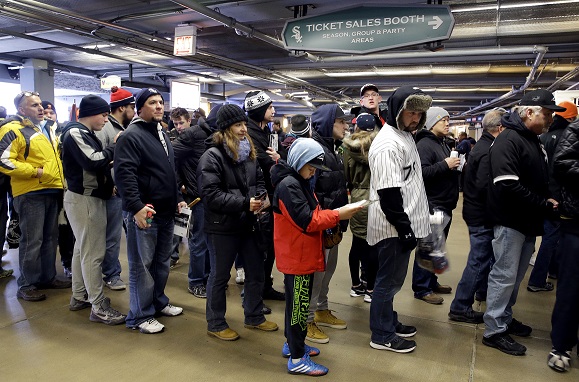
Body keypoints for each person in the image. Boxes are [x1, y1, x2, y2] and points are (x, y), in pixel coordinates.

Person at [271, 138, 363, 376]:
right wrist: (338, 214)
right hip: (297, 257)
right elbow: (308, 221)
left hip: (301, 254)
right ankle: (297, 358)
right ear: (299, 161)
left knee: (297, 307)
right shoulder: (289, 186)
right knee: (299, 308)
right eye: (311, 166)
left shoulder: (298, 182)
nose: (313, 171)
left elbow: (311, 212)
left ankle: (293, 345)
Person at [482, 89, 564, 355]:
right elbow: (507, 184)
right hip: (510, 220)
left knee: (515, 277)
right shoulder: (510, 139)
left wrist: (547, 198)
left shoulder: (530, 139)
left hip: (526, 220)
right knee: (504, 276)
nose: (551, 119)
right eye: (548, 113)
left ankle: (504, 318)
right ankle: (494, 330)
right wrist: (543, 203)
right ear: (530, 112)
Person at [198, 103, 278, 341]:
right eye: (238, 125)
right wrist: (245, 203)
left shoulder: (248, 153)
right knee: (220, 276)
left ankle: (254, 316)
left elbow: (259, 181)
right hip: (222, 227)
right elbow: (210, 194)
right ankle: (216, 322)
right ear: (225, 129)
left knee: (256, 272)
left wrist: (262, 199)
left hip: (248, 223)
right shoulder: (212, 156)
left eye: (244, 124)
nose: (244, 129)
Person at [114, 88, 185, 334]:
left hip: (165, 211)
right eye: (152, 102)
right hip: (145, 212)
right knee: (141, 266)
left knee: (161, 262)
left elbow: (168, 169)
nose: (158, 106)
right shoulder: (130, 136)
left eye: (161, 102)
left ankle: (157, 302)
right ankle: (140, 316)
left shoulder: (161, 132)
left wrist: (177, 198)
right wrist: (136, 207)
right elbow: (124, 175)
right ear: (140, 107)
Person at [367, 85, 432, 353]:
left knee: (392, 281)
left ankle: (388, 322)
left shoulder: (404, 135)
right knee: (388, 282)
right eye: (410, 112)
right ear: (397, 111)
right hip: (392, 228)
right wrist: (405, 230)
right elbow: (389, 195)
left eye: (419, 113)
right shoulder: (387, 144)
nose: (415, 118)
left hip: (403, 225)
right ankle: (381, 335)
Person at [61, 94, 126, 324]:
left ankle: (79, 295)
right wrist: (114, 146)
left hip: (86, 198)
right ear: (91, 113)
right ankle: (98, 306)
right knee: (93, 254)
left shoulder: (86, 133)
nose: (106, 120)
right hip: (84, 200)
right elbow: (93, 161)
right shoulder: (75, 132)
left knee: (83, 250)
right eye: (104, 114)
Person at [0, 91, 70, 301]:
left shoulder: (47, 129)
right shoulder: (13, 129)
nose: (41, 108)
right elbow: (4, 160)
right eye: (34, 105)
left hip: (52, 189)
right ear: (22, 110)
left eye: (40, 104)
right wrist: (35, 172)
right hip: (30, 192)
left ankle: (47, 277)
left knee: (50, 238)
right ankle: (27, 284)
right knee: (32, 240)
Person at [449, 108, 506, 323]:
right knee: (479, 260)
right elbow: (485, 187)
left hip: (477, 212)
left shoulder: (484, 146)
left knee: (483, 257)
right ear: (500, 128)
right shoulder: (487, 150)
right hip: (481, 215)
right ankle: (461, 305)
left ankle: (481, 291)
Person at [304, 103, 350, 344]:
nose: (346, 125)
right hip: (322, 223)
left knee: (328, 269)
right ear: (327, 124)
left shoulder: (333, 149)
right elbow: (310, 191)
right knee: (317, 273)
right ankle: (307, 319)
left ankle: (321, 308)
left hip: (333, 222)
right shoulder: (316, 150)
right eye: (340, 121)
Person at [527, 101, 578, 292]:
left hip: (543, 194)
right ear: (572, 118)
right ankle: (538, 279)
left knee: (549, 236)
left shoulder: (544, 137)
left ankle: (551, 272)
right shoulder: (568, 137)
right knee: (552, 237)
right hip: (558, 197)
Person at [412, 107, 459, 304]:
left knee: (437, 246)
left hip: (444, 202)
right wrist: (445, 165)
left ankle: (431, 281)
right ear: (431, 123)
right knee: (428, 246)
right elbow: (420, 174)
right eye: (443, 120)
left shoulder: (442, 143)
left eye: (448, 120)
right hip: (432, 203)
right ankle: (422, 288)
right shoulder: (424, 145)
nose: (447, 123)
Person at [172, 105, 220, 298]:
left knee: (210, 240)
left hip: (211, 197)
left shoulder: (215, 136)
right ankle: (196, 281)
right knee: (198, 241)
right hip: (196, 197)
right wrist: (181, 185)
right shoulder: (193, 134)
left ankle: (207, 277)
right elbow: (170, 158)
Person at [244, 90, 285, 302]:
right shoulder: (251, 135)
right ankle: (254, 295)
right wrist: (279, 161)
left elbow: (274, 160)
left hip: (270, 196)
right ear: (259, 110)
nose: (273, 110)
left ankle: (265, 287)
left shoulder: (266, 132)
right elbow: (264, 164)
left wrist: (279, 159)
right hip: (259, 199)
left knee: (269, 247)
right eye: (269, 107)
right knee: (259, 249)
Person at [95, 86, 136, 291]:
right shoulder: (106, 129)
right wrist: (108, 183)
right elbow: (99, 159)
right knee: (111, 236)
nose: (134, 112)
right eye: (132, 107)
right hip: (111, 192)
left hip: (124, 190)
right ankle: (111, 274)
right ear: (122, 108)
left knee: (123, 235)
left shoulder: (123, 128)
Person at [548, 115, 579, 372]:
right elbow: (562, 164)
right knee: (571, 286)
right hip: (576, 222)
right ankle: (561, 345)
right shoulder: (575, 130)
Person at [342, 113, 378, 303]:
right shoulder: (379, 146)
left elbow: (346, 175)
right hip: (376, 196)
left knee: (357, 244)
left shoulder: (348, 148)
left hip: (357, 197)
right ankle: (371, 288)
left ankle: (356, 286)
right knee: (373, 245)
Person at [168, 107, 194, 268]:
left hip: (192, 187)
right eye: (176, 123)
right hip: (177, 186)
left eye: (181, 123)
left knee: (193, 226)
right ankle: (172, 255)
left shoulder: (196, 137)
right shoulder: (170, 136)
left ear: (189, 121)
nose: (178, 126)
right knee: (178, 223)